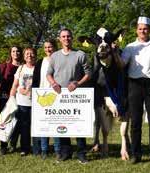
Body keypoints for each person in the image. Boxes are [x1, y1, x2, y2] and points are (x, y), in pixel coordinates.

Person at [121, 16, 150, 164]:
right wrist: (114, 52)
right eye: (140, 28)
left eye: (145, 28)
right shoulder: (129, 47)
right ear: (137, 30)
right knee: (135, 122)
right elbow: (121, 64)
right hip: (134, 84)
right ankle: (136, 154)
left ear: (149, 30)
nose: (143, 31)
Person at [47, 28, 91, 164]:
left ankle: (82, 153)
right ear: (60, 39)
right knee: (63, 125)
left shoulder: (80, 54)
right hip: (60, 96)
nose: (66, 38)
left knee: (79, 125)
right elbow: (48, 74)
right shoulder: (54, 56)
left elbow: (88, 74)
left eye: (68, 36)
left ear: (72, 38)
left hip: (76, 95)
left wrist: (77, 83)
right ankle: (66, 152)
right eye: (63, 36)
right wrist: (53, 83)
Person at [31, 39, 61, 159]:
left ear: (54, 47)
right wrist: (35, 95)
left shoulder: (59, 60)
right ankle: (44, 150)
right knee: (43, 125)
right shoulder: (40, 62)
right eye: (46, 47)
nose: (48, 49)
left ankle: (57, 149)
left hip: (56, 96)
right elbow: (35, 80)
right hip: (42, 97)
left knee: (55, 125)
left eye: (50, 47)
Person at [9, 47, 36, 156]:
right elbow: (15, 85)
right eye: (27, 54)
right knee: (24, 127)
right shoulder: (20, 68)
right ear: (24, 56)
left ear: (35, 55)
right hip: (22, 102)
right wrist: (11, 99)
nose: (29, 55)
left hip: (36, 102)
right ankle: (24, 148)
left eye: (31, 53)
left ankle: (37, 147)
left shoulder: (38, 68)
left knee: (35, 126)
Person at [0, 46, 23, 155]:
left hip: (20, 98)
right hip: (5, 98)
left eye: (18, 51)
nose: (16, 53)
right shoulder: (4, 66)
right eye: (13, 51)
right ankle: (3, 146)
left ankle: (13, 144)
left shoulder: (24, 67)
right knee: (5, 121)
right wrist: (0, 98)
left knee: (18, 123)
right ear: (10, 53)